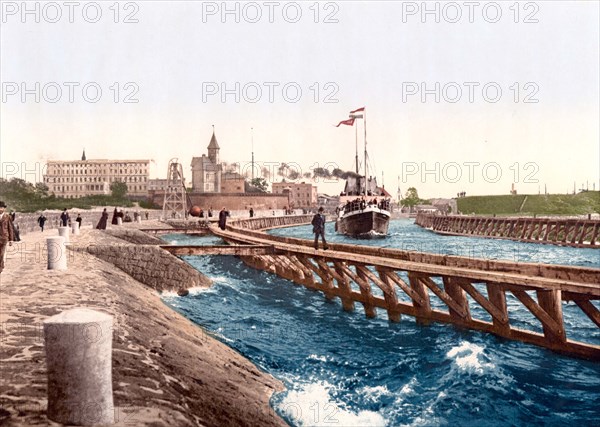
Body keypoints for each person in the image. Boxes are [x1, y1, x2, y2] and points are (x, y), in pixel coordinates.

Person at [0, 201, 15, 274]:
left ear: (4, 209)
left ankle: (0, 266)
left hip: (4, 237)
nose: (0, 209)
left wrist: (11, 239)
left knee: (2, 253)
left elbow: (10, 228)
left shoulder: (7, 217)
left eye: (2, 208)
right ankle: (1, 264)